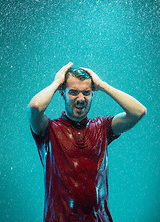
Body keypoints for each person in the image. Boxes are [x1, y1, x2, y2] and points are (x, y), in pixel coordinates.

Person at [28, 62, 147, 222]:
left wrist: (102, 85)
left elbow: (138, 112)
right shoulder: (49, 129)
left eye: (86, 92)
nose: (81, 99)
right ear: (62, 93)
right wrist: (56, 83)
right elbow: (35, 107)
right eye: (73, 92)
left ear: (92, 94)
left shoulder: (102, 127)